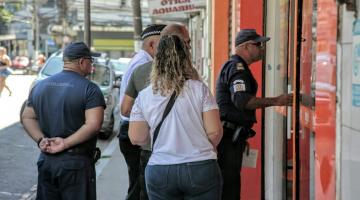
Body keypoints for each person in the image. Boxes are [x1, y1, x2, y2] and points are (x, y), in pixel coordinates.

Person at [128, 34, 223, 200]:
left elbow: (136, 137)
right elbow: (215, 132)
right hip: (200, 167)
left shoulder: (144, 96)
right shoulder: (200, 89)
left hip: (161, 169)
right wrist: (199, 145)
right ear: (185, 58)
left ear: (157, 61)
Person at [21, 42, 106, 200]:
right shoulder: (90, 89)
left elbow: (27, 117)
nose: (92, 65)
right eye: (91, 61)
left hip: (46, 161)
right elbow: (94, 125)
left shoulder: (40, 86)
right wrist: (65, 143)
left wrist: (41, 139)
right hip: (76, 166)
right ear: (82, 62)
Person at [215, 29, 293, 199]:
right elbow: (243, 101)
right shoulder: (237, 68)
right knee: (229, 190)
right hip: (228, 139)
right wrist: (277, 101)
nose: (262, 48)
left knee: (230, 185)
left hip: (232, 136)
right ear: (246, 46)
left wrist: (241, 132)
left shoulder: (236, 67)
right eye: (258, 44)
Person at [121, 23, 193, 200]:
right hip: (166, 149)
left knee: (142, 190)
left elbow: (126, 108)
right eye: (186, 43)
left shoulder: (141, 67)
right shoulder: (150, 67)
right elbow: (126, 109)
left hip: (151, 146)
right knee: (139, 189)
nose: (188, 47)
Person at [118, 24, 166, 200]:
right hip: (136, 132)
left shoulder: (141, 60)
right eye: (166, 43)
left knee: (139, 185)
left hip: (131, 129)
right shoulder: (146, 64)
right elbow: (127, 107)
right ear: (152, 45)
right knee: (141, 187)